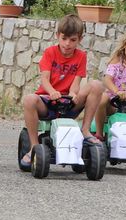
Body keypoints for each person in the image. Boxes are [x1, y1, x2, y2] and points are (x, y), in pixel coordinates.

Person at [19, 13, 104, 169]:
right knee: (29, 99)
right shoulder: (50, 52)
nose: (67, 44)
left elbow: (76, 81)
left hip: (69, 104)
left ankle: (85, 130)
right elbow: (44, 79)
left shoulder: (81, 56)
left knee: (97, 85)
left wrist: (73, 94)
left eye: (73, 40)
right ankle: (34, 146)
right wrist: (52, 91)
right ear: (57, 35)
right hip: (48, 101)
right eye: (64, 39)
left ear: (80, 39)